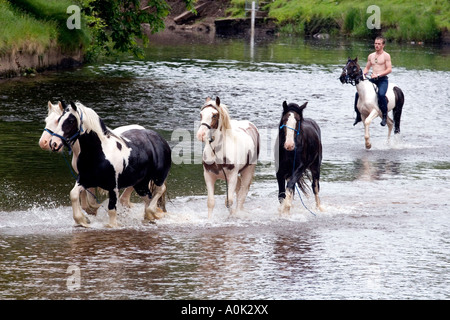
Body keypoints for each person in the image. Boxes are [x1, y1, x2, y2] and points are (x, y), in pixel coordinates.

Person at [354, 36, 392, 126]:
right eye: (375, 43)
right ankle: (358, 115)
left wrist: (379, 74)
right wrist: (363, 74)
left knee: (381, 94)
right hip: (372, 79)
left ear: (383, 45)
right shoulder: (371, 56)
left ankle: (384, 116)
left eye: (379, 44)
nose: (376, 45)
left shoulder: (386, 56)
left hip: (382, 80)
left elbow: (389, 69)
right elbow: (367, 67)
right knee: (357, 94)